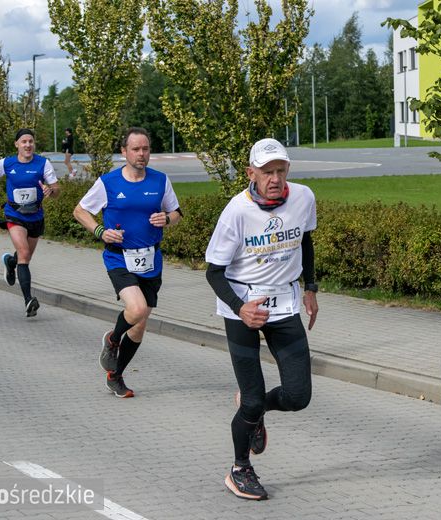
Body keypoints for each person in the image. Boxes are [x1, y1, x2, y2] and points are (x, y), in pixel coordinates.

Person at [205, 138, 318, 500]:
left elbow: (306, 240)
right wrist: (241, 308)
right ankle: (240, 469)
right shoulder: (236, 211)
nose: (275, 178)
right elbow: (213, 273)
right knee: (252, 398)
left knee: (299, 396)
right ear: (251, 173)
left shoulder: (303, 197)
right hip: (242, 307)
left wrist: (311, 287)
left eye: (280, 170)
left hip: (284, 304)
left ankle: (255, 411)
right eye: (267, 172)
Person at [73, 127, 182, 398]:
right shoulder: (109, 183)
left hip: (151, 259)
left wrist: (166, 219)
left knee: (140, 323)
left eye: (145, 149)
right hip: (119, 257)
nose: (142, 154)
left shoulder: (160, 181)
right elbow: (79, 211)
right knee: (137, 308)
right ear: (124, 152)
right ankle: (112, 339)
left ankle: (116, 375)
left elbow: (176, 212)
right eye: (135, 149)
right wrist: (100, 231)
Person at [0, 128, 60, 317]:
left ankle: (10, 262)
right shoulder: (6, 163)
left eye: (31, 141)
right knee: (25, 253)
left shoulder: (43, 164)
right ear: (17, 144)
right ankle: (29, 300)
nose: (28, 145)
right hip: (14, 214)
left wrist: (51, 191)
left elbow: (57, 190)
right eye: (24, 142)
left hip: (35, 216)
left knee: (23, 257)